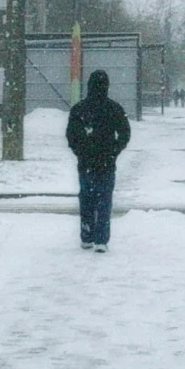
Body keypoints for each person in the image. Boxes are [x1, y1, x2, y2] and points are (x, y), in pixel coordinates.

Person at [65, 69, 131, 253]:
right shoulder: (114, 108)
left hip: (86, 164)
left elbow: (71, 136)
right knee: (104, 201)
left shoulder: (79, 109)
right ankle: (101, 239)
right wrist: (114, 151)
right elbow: (125, 133)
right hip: (106, 163)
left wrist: (80, 152)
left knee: (86, 199)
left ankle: (87, 236)